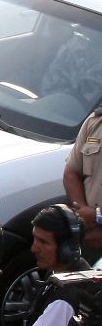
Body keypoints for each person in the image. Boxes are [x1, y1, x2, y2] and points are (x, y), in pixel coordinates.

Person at [66, 104, 102, 252]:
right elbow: (71, 173)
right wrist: (85, 218)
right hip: (90, 236)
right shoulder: (95, 122)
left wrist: (97, 216)